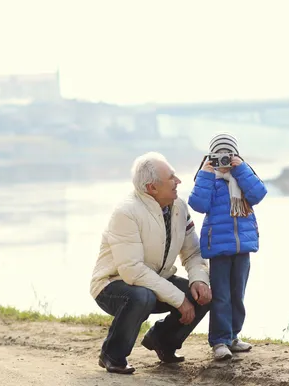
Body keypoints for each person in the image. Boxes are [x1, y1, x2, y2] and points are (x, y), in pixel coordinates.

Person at [89, 152, 212, 374]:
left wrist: (199, 280)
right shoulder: (126, 212)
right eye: (171, 177)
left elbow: (193, 252)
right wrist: (179, 300)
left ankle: (163, 341)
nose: (178, 181)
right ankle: (112, 354)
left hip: (155, 279)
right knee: (141, 295)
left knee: (201, 296)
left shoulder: (179, 207)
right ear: (152, 188)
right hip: (113, 284)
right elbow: (132, 272)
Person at [188, 133, 267, 361]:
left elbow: (259, 194)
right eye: (219, 155)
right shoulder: (210, 179)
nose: (223, 160)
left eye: (228, 155)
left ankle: (233, 336)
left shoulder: (242, 176)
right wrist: (205, 173)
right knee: (221, 296)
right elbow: (198, 204)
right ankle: (220, 341)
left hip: (243, 247)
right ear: (211, 157)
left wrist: (241, 169)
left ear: (235, 155)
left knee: (237, 295)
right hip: (219, 248)